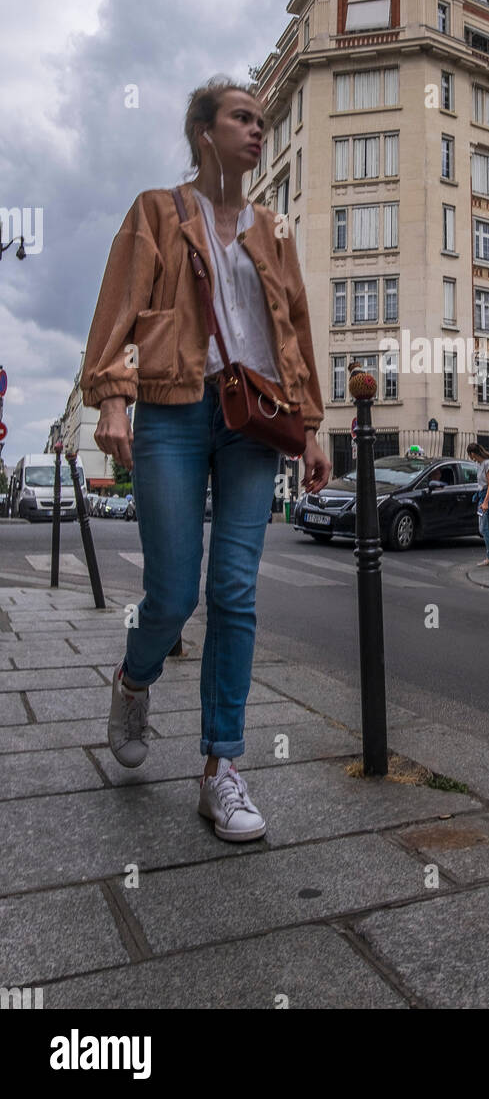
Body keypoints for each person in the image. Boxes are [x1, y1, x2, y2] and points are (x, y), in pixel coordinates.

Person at [81, 76, 331, 842]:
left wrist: (311, 424)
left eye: (262, 120)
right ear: (203, 132)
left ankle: (221, 768)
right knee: (169, 591)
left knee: (234, 591)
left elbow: (293, 328)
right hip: (175, 405)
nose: (258, 131)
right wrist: (115, 395)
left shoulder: (275, 230)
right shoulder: (157, 210)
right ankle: (134, 678)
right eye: (242, 119)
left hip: (255, 417)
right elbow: (120, 310)